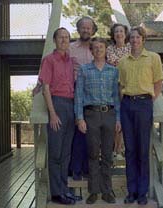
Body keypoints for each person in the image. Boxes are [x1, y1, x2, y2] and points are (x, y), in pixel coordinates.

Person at [117, 26, 163, 205]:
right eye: (133, 37)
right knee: (130, 150)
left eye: (138, 37)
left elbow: (158, 83)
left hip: (145, 104)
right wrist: (125, 101)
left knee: (143, 150)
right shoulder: (123, 61)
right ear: (129, 40)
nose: (135, 40)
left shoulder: (153, 58)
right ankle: (132, 192)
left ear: (143, 40)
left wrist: (149, 102)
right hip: (127, 104)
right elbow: (121, 85)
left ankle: (142, 193)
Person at [75, 37, 121, 204]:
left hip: (109, 115)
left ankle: (107, 191)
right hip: (91, 115)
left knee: (107, 155)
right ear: (91, 51)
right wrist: (80, 118)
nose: (99, 50)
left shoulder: (113, 71)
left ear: (105, 50)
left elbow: (116, 97)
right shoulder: (84, 70)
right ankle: (94, 191)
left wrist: (118, 119)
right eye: (95, 48)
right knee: (93, 154)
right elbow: (79, 96)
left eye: (101, 47)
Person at [38, 27, 79, 205]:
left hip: (71, 105)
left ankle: (64, 190)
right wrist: (52, 114)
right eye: (60, 37)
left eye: (67, 37)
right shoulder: (49, 60)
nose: (64, 40)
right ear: (55, 40)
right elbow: (45, 88)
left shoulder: (71, 61)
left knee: (66, 154)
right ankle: (56, 193)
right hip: (57, 105)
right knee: (55, 152)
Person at [69, 16, 98, 180]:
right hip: (75, 92)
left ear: (93, 30)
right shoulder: (71, 48)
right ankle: (76, 169)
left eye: (89, 28)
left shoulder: (98, 48)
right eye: (83, 27)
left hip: (93, 94)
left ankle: (88, 168)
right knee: (78, 130)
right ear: (78, 29)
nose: (86, 30)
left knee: (91, 131)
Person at [106, 23, 131, 160]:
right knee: (116, 115)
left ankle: (120, 148)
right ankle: (115, 149)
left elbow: (123, 63)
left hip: (128, 85)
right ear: (113, 35)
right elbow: (112, 62)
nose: (119, 34)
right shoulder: (110, 49)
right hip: (113, 85)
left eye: (121, 31)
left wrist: (121, 63)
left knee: (124, 116)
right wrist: (124, 63)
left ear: (125, 34)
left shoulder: (130, 47)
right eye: (116, 32)